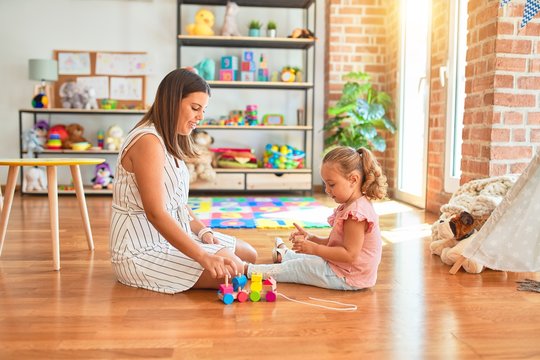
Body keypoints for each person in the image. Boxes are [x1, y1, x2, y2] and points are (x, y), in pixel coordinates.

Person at [109, 68, 257, 294]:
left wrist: (204, 233)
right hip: (141, 250)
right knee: (234, 270)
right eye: (195, 108)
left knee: (248, 255)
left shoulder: (170, 139)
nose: (200, 117)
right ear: (171, 102)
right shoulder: (148, 142)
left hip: (174, 235)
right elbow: (156, 213)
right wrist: (203, 255)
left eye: (203, 110)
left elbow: (178, 202)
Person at [244, 146, 387, 290]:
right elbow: (336, 244)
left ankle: (249, 270)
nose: (326, 190)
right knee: (310, 258)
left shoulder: (356, 214)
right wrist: (311, 238)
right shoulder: (352, 205)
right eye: (325, 184)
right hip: (345, 269)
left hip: (349, 276)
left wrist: (314, 248)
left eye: (331, 184)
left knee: (299, 267)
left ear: (353, 180)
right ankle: (285, 255)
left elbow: (349, 255)